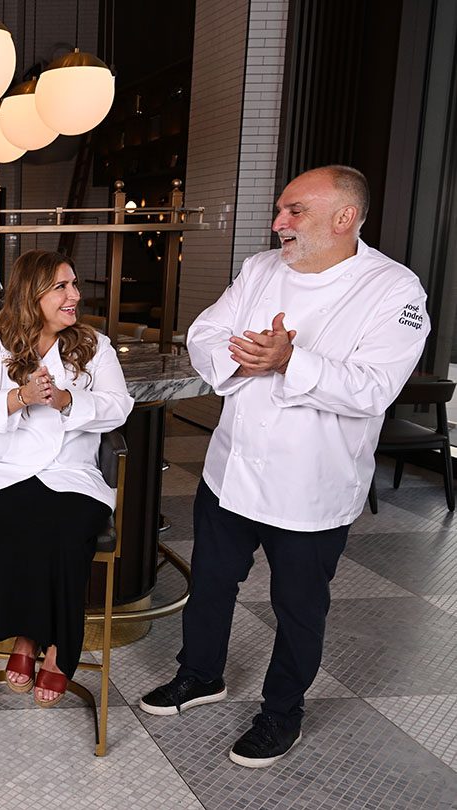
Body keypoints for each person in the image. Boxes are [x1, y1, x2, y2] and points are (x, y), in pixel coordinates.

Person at [139, 166, 431, 768]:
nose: (279, 224)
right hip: (231, 471)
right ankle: (199, 674)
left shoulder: (394, 292)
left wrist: (290, 361)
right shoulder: (260, 269)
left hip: (311, 487)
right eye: (280, 211)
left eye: (295, 211)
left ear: (344, 217)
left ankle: (281, 714)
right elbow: (204, 334)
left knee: (298, 606)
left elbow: (373, 388)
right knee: (212, 585)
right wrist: (248, 362)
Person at [0, 251, 132, 706]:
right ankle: (27, 637)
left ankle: (55, 649)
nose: (75, 295)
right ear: (31, 294)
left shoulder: (95, 344)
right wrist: (20, 396)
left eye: (73, 285)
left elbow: (119, 405)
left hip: (70, 472)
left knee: (60, 529)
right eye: (62, 287)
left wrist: (67, 400)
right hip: (4, 468)